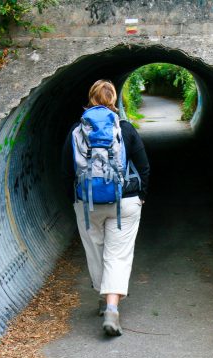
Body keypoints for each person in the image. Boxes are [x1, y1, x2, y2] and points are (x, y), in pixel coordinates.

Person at [62, 80, 150, 337]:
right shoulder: (124, 129)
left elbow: (65, 170)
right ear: (115, 100)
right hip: (125, 201)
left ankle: (103, 299)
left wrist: (75, 199)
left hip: (87, 202)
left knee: (95, 251)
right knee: (118, 254)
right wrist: (141, 195)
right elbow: (143, 166)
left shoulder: (76, 131)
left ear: (90, 99)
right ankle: (112, 307)